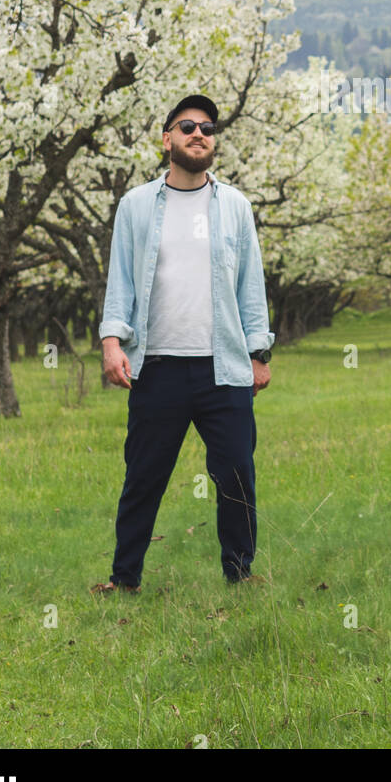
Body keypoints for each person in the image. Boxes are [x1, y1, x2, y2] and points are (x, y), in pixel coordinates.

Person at [90, 93, 274, 594]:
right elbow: (120, 282)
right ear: (166, 137)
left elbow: (250, 284)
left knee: (237, 475)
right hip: (158, 367)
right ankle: (124, 579)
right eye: (187, 126)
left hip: (224, 367)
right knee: (143, 478)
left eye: (208, 128)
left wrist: (259, 353)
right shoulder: (136, 206)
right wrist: (112, 342)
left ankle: (239, 576)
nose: (199, 134)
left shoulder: (235, 206)